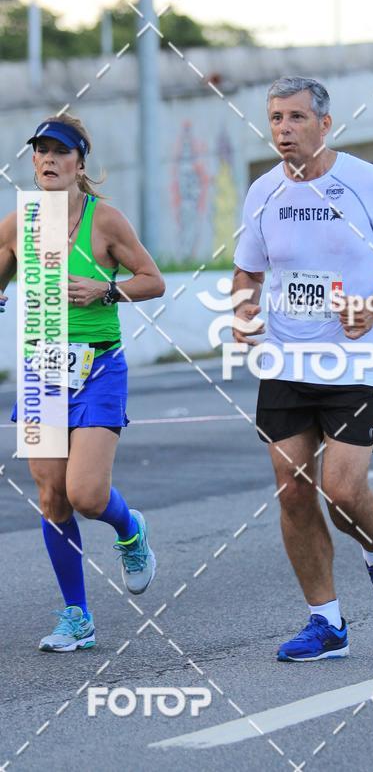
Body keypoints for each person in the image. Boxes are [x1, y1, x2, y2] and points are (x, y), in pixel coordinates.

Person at [232, 77, 373, 662]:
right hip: (287, 360)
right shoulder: (262, 192)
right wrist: (244, 309)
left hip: (356, 360)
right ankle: (327, 624)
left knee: (342, 490)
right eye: (274, 118)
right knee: (293, 490)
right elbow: (249, 270)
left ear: (325, 123)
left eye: (295, 118)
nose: (283, 129)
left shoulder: (368, 183)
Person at [0, 114, 165, 652]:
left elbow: (153, 280)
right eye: (40, 152)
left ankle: (129, 529)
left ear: (80, 163)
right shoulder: (19, 224)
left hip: (97, 366)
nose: (48, 160)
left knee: (87, 494)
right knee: (51, 494)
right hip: (40, 369)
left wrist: (105, 291)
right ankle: (77, 615)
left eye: (60, 152)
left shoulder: (106, 220)